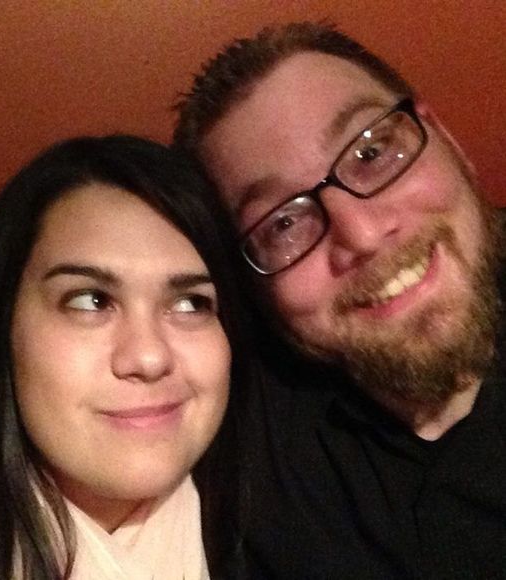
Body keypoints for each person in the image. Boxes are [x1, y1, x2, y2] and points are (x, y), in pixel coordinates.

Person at [174, 21, 506, 578]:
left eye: (371, 152)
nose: (362, 235)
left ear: (445, 140)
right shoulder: (227, 442)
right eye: (282, 223)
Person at [0, 135, 254, 579]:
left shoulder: (285, 520)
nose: (149, 357)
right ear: (0, 325)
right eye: (90, 301)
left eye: (190, 303)